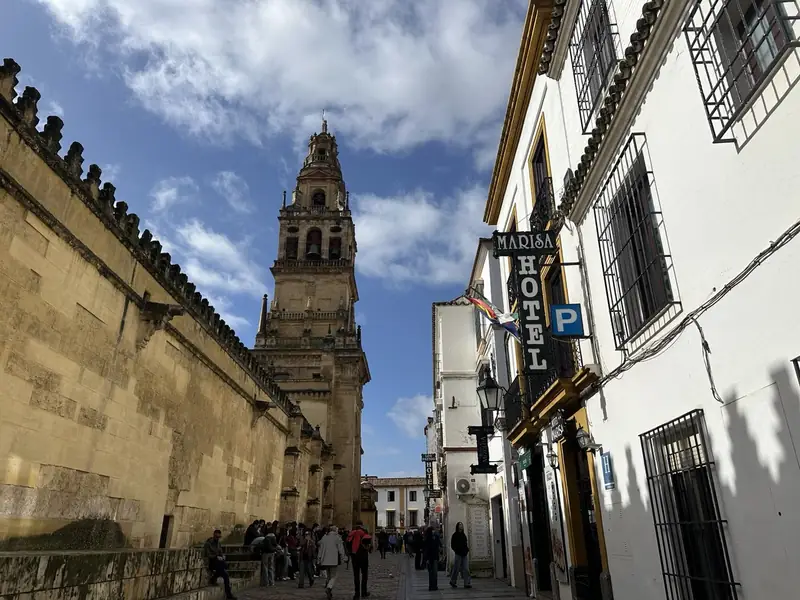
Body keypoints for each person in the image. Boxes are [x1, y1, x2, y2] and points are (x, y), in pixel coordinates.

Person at [203, 529, 237, 600]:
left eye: (219, 537)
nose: (217, 539)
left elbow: (220, 552)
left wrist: (222, 556)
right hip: (211, 562)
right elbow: (208, 555)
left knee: (225, 574)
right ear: (214, 535)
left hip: (218, 563)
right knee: (224, 569)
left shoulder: (218, 543)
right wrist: (216, 556)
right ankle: (215, 577)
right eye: (216, 537)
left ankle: (228, 594)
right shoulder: (208, 543)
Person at [318, 526, 347, 600]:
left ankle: (329, 591)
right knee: (334, 576)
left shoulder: (325, 537)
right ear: (335, 530)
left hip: (325, 559)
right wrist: (343, 557)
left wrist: (319, 558)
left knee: (328, 575)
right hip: (333, 559)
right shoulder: (337, 537)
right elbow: (341, 549)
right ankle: (329, 588)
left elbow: (320, 548)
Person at [347, 524, 372, 599]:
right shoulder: (364, 533)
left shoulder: (351, 534)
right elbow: (369, 546)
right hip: (363, 557)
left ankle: (356, 594)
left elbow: (347, 544)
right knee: (364, 575)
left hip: (354, 557)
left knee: (356, 576)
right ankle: (364, 592)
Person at [449, 522, 472, 589]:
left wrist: (467, 549)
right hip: (458, 554)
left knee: (466, 568)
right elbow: (452, 544)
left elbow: (465, 543)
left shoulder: (463, 535)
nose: (461, 526)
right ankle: (453, 581)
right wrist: (456, 550)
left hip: (464, 554)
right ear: (457, 526)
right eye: (460, 525)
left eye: (462, 525)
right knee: (456, 568)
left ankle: (467, 583)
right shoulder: (455, 535)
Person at [423, 526, 441, 591]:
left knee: (435, 572)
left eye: (434, 530)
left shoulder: (436, 537)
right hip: (430, 558)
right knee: (431, 573)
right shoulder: (427, 539)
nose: (433, 531)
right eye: (432, 530)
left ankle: (435, 585)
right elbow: (426, 549)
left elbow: (438, 546)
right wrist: (426, 559)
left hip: (435, 557)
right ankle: (431, 586)